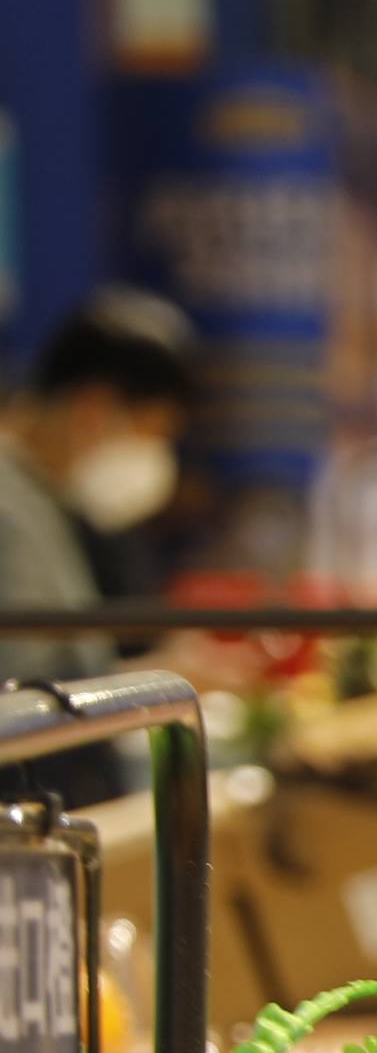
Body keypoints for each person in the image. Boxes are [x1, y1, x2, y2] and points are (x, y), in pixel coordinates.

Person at [0, 292, 189, 805]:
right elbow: (21, 691)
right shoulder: (10, 505)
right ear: (95, 407)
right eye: (149, 435)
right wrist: (165, 681)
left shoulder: (43, 496)